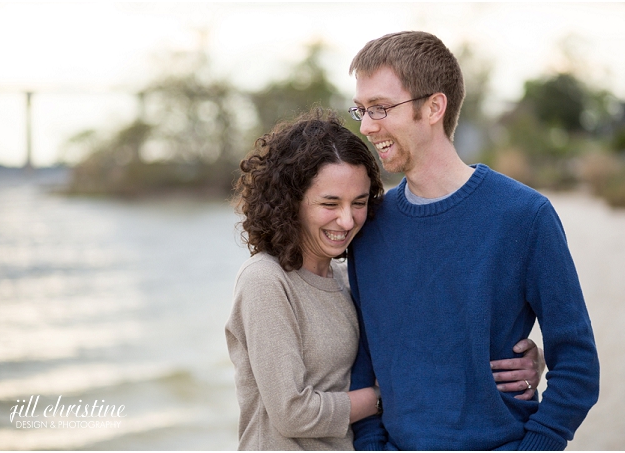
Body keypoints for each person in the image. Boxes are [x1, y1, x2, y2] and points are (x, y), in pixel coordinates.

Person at [225, 109, 544, 450]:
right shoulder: (265, 280)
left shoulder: (348, 278)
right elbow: (293, 413)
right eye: (330, 203)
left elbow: (423, 345)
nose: (346, 221)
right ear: (291, 202)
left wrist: (515, 362)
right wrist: (386, 396)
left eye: (358, 203)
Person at [346, 31, 600, 451]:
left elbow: (577, 364)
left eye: (381, 108)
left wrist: (536, 445)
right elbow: (362, 361)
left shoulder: (525, 216)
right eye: (361, 110)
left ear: (433, 107)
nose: (367, 126)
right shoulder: (368, 226)